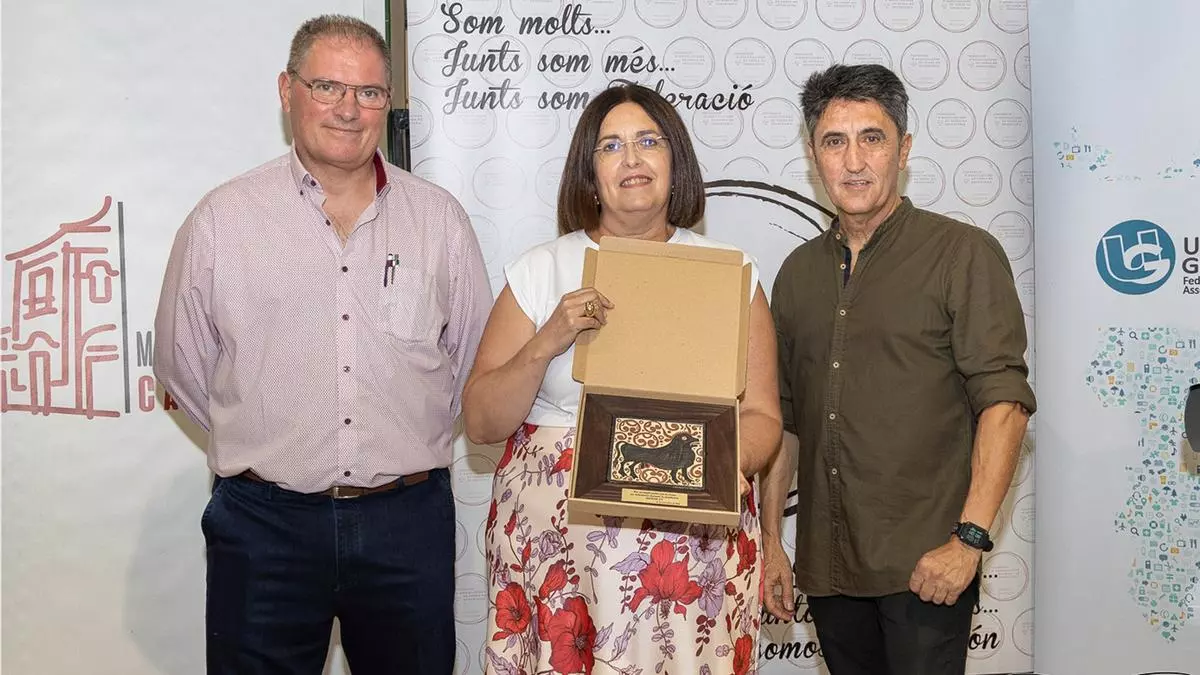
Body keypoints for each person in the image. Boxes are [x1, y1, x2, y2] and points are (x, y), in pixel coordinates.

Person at [153, 15, 491, 674]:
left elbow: (470, 362)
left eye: (368, 92)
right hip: (263, 524)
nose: (348, 109)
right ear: (288, 91)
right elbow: (182, 363)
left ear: (387, 102)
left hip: (405, 523)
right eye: (327, 86)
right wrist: (264, 438)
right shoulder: (223, 219)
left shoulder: (439, 220)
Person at [462, 83, 782, 675]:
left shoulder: (732, 271)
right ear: (589, 175)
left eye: (648, 141)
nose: (631, 158)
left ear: (675, 161)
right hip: (559, 551)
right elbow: (481, 421)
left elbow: (763, 417)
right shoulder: (539, 270)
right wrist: (549, 339)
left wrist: (708, 466)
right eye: (610, 146)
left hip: (691, 553)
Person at [761, 64, 1036, 675]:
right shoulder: (797, 274)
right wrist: (771, 544)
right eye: (834, 142)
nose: (854, 161)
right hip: (828, 570)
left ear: (904, 149)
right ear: (814, 155)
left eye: (873, 138)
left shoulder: (962, 254)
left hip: (927, 566)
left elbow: (1006, 406)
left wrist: (968, 540)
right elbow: (784, 424)